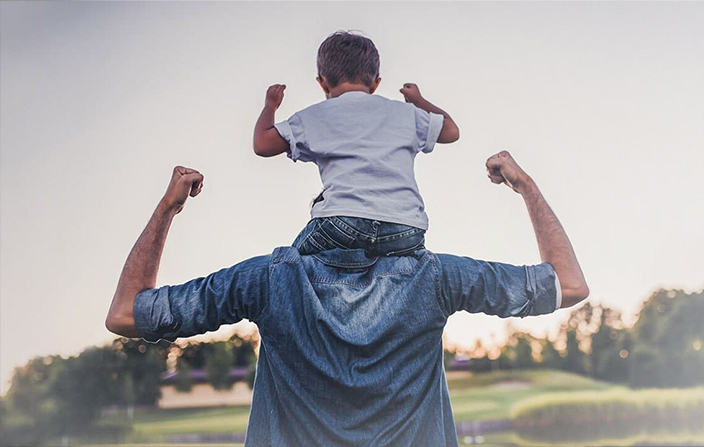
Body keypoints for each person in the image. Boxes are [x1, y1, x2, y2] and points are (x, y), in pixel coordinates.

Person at [105, 151, 589, 446]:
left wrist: (169, 207)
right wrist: (525, 186)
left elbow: (127, 313)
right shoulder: (435, 277)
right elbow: (569, 285)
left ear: (318, 215)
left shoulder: (268, 280)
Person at [252, 31, 460, 257]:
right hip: (406, 228)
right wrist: (418, 101)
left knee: (290, 265)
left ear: (322, 83)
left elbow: (262, 144)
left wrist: (270, 105)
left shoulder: (315, 116)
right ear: (376, 83)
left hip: (342, 224)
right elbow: (451, 131)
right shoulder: (405, 113)